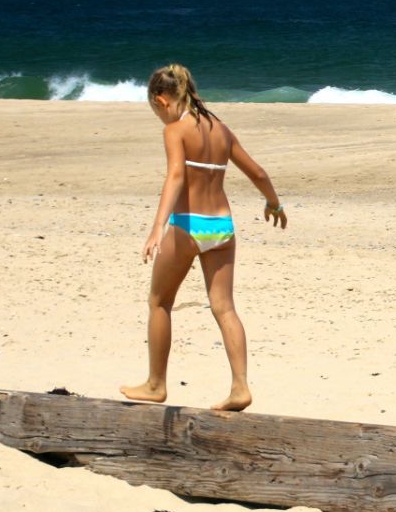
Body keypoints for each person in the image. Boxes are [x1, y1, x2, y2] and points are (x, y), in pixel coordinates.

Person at [120, 64, 287, 412]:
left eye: (156, 110)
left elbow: (176, 177)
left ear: (162, 100)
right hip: (222, 226)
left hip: (188, 224)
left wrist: (158, 227)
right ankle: (240, 386)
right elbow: (257, 171)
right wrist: (274, 202)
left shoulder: (176, 131)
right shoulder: (220, 129)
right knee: (224, 307)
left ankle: (155, 384)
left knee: (159, 302)